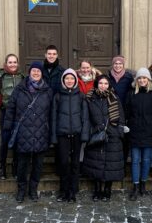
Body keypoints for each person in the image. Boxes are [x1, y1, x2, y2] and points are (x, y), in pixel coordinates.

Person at [3, 61, 53, 203]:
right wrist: (7, 127)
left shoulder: (47, 91)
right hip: (23, 133)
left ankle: (33, 190)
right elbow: (11, 109)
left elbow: (51, 114)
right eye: (33, 71)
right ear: (29, 72)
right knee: (22, 165)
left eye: (38, 71)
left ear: (42, 73)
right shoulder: (19, 89)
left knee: (38, 166)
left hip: (41, 133)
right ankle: (21, 191)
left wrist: (51, 132)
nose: (36, 73)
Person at [83, 75, 125, 202]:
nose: (103, 85)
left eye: (106, 83)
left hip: (113, 136)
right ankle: (97, 190)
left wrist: (118, 132)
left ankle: (107, 190)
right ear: (96, 84)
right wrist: (92, 131)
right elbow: (87, 117)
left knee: (110, 164)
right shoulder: (90, 98)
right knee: (96, 163)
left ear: (109, 85)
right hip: (96, 135)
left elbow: (121, 117)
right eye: (100, 83)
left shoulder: (114, 98)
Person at [51, 68, 90, 203]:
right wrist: (54, 136)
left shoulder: (80, 96)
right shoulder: (57, 96)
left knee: (75, 163)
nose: (69, 80)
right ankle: (64, 190)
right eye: (67, 78)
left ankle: (73, 191)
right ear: (63, 80)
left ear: (75, 80)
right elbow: (54, 117)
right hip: (62, 134)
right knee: (63, 163)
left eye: (72, 78)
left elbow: (85, 117)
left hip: (77, 134)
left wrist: (84, 135)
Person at [126, 68, 152, 201]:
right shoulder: (131, 94)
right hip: (134, 131)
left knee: (146, 160)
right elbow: (127, 112)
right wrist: (126, 128)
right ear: (136, 80)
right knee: (135, 160)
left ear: (148, 80)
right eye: (139, 78)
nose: (142, 80)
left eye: (144, 78)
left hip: (149, 132)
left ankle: (143, 184)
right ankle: (135, 186)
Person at [0, 53, 26, 180]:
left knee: (17, 140)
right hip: (6, 112)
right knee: (5, 140)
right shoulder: (0, 76)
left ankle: (15, 166)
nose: (12, 64)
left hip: (19, 113)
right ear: (6, 63)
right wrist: (0, 101)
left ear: (17, 63)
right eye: (10, 62)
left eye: (14, 62)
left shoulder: (23, 77)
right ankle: (2, 167)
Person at [107, 55, 134, 165]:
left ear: (123, 65)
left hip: (125, 112)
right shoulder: (108, 77)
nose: (118, 66)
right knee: (113, 138)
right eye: (115, 63)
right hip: (111, 112)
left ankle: (122, 163)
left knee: (124, 139)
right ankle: (113, 163)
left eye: (120, 64)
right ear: (112, 65)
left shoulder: (128, 77)